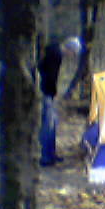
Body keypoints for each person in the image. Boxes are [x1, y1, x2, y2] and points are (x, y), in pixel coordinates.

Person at [37, 36, 81, 166]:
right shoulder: (55, 55)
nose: (71, 56)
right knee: (48, 126)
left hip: (48, 93)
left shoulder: (54, 53)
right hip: (46, 93)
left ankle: (51, 154)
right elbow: (50, 76)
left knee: (52, 124)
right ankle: (46, 157)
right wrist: (53, 93)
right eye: (73, 53)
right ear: (69, 49)